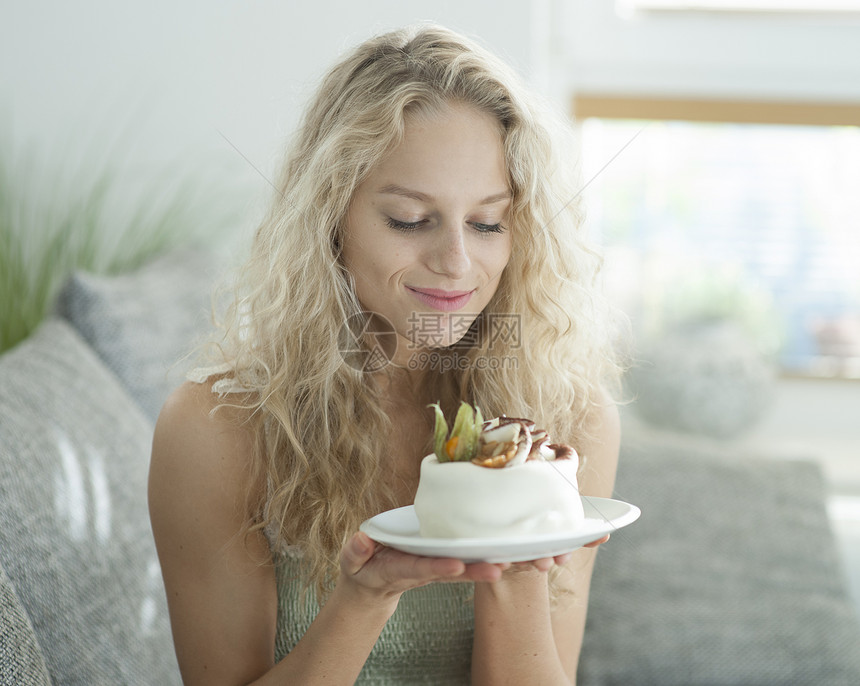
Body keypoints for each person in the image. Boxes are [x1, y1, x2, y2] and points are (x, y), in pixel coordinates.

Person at [148, 22, 622, 686]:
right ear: (331, 217)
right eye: (409, 220)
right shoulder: (215, 431)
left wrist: (518, 568)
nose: (458, 263)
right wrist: (365, 595)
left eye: (488, 223)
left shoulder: (571, 421)